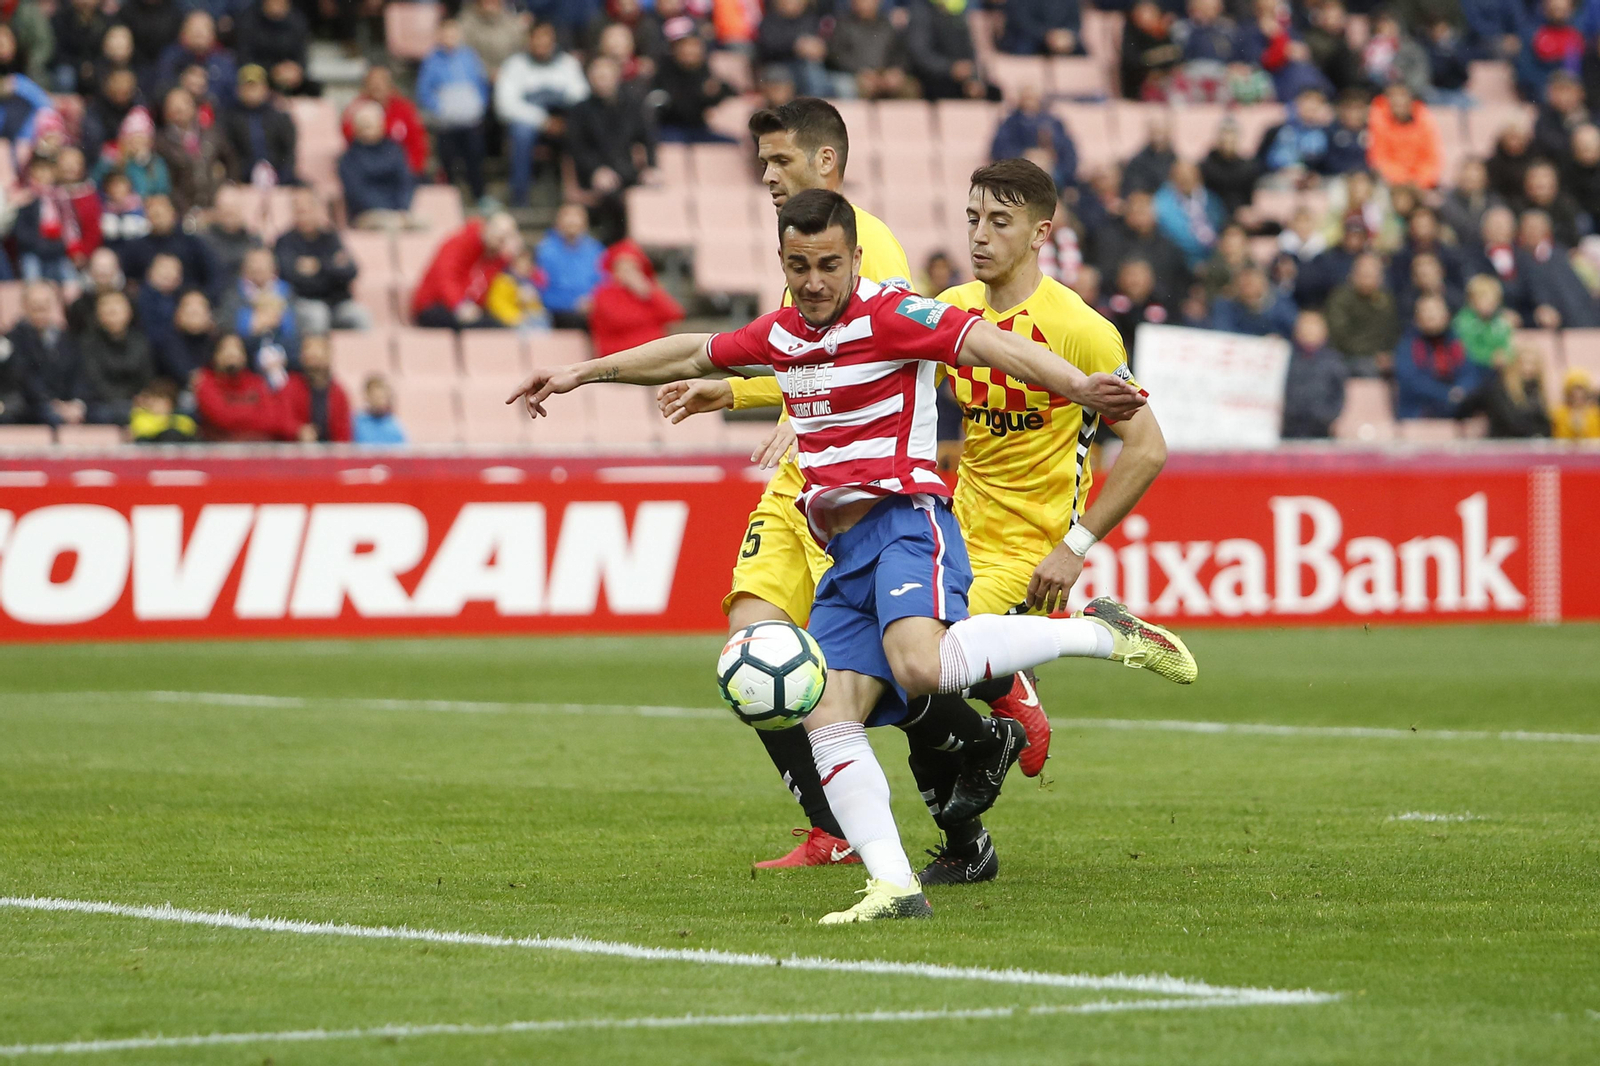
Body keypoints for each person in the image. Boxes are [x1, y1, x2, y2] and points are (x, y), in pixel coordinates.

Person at [506, 188, 1180, 924]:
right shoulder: (783, 334)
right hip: (842, 554)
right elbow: (691, 349)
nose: (816, 280)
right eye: (801, 266)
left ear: (855, 258)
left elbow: (987, 343)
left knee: (921, 665)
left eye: (829, 264)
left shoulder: (893, 314)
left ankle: (1103, 633)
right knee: (828, 712)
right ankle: (893, 886)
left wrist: (1077, 385)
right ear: (783, 263)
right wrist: (582, 372)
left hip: (906, 522)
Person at [650, 99, 1053, 869]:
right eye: (761, 162)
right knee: (756, 650)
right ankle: (836, 826)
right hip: (806, 487)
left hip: (869, 488)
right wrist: (736, 392)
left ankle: (993, 717)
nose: (765, 175)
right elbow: (795, 359)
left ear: (826, 161)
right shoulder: (803, 244)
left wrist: (782, 410)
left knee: (894, 676)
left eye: (778, 160)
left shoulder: (867, 248)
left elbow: (872, 359)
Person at [910, 158, 1169, 878]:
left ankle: (1012, 685)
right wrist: (746, 399)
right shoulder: (953, 308)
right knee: (905, 691)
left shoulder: (1082, 332)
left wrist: (1075, 546)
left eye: (1000, 221)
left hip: (1026, 550)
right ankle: (971, 847)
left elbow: (1147, 450)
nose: (980, 235)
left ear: (1040, 232)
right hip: (952, 532)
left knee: (916, 673)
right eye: (972, 219)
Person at [494, 20, 589, 207]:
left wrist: (560, 117)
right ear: (529, 40)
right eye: (537, 39)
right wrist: (543, 121)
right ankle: (519, 197)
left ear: (553, 41)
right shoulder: (515, 65)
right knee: (521, 133)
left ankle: (577, 197)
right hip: (531, 125)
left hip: (563, 122)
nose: (541, 44)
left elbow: (582, 97)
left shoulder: (568, 64)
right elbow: (505, 106)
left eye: (546, 39)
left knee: (582, 130)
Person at [417, 18, 490, 205]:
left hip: (470, 121)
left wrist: (478, 105)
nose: (450, 38)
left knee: (475, 159)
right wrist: (441, 108)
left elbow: (481, 84)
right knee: (448, 161)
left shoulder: (470, 57)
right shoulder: (431, 60)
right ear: (439, 35)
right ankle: (450, 201)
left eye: (454, 33)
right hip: (446, 124)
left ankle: (479, 196)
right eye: (446, 33)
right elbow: (424, 91)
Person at [274, 188, 369, 333]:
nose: (303, 216)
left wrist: (318, 266)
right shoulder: (285, 242)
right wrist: (332, 268)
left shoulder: (331, 237)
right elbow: (290, 276)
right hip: (303, 303)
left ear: (317, 209)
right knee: (318, 315)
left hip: (338, 304)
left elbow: (351, 271)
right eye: (298, 211)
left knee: (361, 316)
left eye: (307, 210)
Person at [411, 213, 521, 328]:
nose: (499, 242)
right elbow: (445, 277)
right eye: (499, 237)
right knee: (486, 327)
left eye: (503, 239)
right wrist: (459, 305)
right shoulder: (462, 241)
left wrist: (509, 257)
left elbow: (485, 284)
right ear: (488, 228)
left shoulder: (494, 256)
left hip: (464, 306)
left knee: (498, 326)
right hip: (433, 305)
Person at [9, 283, 96, 427]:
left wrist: (76, 402)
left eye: (45, 305)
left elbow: (79, 372)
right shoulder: (15, 338)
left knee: (101, 413)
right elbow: (24, 377)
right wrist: (53, 404)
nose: (41, 310)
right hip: (33, 406)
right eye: (35, 305)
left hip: (68, 404)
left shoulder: (67, 337)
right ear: (24, 306)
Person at [1394, 293, 1487, 419]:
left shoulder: (1455, 341)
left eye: (1436, 310)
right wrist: (1448, 394)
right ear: (1417, 318)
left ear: (1446, 316)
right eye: (1426, 311)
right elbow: (1412, 381)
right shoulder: (1408, 344)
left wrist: (1461, 390)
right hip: (1420, 410)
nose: (1431, 315)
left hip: (1455, 407)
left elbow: (1470, 373)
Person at [1095, 190, 1190, 307]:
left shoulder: (1168, 245)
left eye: (1144, 211)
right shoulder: (1110, 239)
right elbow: (1104, 275)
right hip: (1115, 304)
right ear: (1126, 213)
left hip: (1161, 306)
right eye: (1135, 211)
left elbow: (1178, 280)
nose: (1140, 217)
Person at [193, 331, 294, 440]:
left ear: (245, 356)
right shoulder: (205, 383)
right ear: (214, 355)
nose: (232, 353)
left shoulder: (256, 382)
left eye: (238, 349)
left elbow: (272, 419)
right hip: (217, 451)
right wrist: (255, 414)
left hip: (258, 452)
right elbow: (223, 419)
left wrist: (236, 415)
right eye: (225, 348)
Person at [590, 241, 684, 356]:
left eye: (633, 267)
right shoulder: (604, 293)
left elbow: (675, 315)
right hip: (620, 354)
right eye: (624, 268)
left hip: (655, 353)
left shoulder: (648, 290)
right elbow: (620, 320)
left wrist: (650, 295)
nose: (629, 273)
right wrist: (650, 315)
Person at [223, 246, 300, 381]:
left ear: (274, 269)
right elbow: (227, 330)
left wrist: (280, 353)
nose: (258, 268)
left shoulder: (286, 293)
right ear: (244, 268)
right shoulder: (232, 294)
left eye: (264, 264)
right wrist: (251, 325)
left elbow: (295, 332)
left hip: (283, 360)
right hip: (246, 361)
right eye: (254, 263)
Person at [79, 290, 155, 426]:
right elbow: (94, 380)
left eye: (117, 305)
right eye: (105, 305)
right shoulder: (88, 343)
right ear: (97, 313)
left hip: (135, 403)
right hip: (101, 404)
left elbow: (146, 377)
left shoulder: (140, 341)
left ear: (129, 311)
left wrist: (138, 399)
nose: (112, 310)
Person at [340, 66, 428, 178]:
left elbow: (418, 144)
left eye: (382, 82)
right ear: (366, 86)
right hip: (365, 172)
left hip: (400, 173)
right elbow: (348, 141)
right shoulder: (355, 108)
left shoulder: (405, 109)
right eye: (373, 82)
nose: (377, 86)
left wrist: (410, 171)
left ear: (390, 85)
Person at [118, 193, 217, 294]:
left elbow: (214, 275)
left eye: (162, 208)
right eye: (151, 208)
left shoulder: (192, 244)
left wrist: (202, 299)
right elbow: (126, 281)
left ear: (174, 212)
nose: (157, 212)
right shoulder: (135, 248)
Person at [339, 100, 417, 227]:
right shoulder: (348, 159)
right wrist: (387, 211)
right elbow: (356, 193)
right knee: (390, 225)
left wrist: (402, 208)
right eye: (363, 126)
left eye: (371, 125)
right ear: (355, 129)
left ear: (381, 125)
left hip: (398, 212)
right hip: (366, 214)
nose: (367, 131)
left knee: (423, 224)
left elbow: (405, 182)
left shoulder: (395, 151)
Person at [155, 86, 231, 216]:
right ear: (166, 112)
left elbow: (231, 160)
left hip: (217, 205)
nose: (180, 108)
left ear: (194, 107)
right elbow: (166, 185)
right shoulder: (161, 143)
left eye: (184, 103)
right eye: (173, 105)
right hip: (184, 211)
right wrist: (186, 210)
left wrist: (229, 186)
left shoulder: (212, 134)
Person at [989, 85, 1077, 194]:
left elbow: (1069, 152)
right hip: (1020, 175)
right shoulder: (1009, 123)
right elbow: (999, 149)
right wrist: (1025, 156)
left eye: (1032, 97)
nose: (1030, 101)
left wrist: (1050, 159)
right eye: (1026, 97)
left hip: (1054, 174)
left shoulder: (1054, 123)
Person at [1325, 251, 1401, 376]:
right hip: (1348, 356)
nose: (1367, 278)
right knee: (1366, 368)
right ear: (1353, 275)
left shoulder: (1387, 300)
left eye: (1372, 274)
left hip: (1381, 356)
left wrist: (1387, 353)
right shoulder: (1340, 298)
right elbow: (1340, 336)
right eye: (1363, 274)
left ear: (1381, 277)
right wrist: (1374, 354)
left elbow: (1392, 331)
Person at [651, 28, 735, 141]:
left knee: (732, 143)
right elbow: (676, 105)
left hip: (699, 128)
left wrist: (715, 93)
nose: (690, 51)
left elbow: (727, 91)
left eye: (695, 46)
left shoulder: (704, 69)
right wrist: (702, 95)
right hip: (670, 129)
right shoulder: (665, 70)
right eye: (686, 46)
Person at [222, 64, 297, 185]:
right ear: (238, 90)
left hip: (279, 180)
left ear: (266, 88)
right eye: (247, 86)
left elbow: (288, 153)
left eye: (256, 86)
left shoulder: (280, 117)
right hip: (242, 181)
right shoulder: (229, 118)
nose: (252, 91)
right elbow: (228, 153)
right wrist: (237, 178)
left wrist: (282, 179)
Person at [535, 202, 605, 330]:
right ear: (558, 223)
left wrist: (592, 301)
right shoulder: (545, 252)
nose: (573, 221)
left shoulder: (596, 250)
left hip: (593, 308)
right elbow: (542, 290)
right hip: (561, 312)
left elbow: (604, 282)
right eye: (568, 217)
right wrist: (573, 304)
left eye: (577, 217)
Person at [904, 0, 992, 101]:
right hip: (932, 80)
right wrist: (950, 68)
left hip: (959, 80)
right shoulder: (921, 10)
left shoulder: (958, 9)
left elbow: (968, 50)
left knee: (992, 92)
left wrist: (973, 78)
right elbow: (919, 54)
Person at [1280, 310, 1348, 438]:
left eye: (1314, 327)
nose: (1309, 332)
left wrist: (1328, 416)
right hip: (1290, 427)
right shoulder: (1284, 358)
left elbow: (1339, 394)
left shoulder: (1334, 361)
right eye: (1305, 327)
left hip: (1321, 427)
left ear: (1324, 331)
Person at [827, 0, 910, 100]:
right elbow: (835, 56)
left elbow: (899, 53)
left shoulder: (887, 25)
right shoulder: (843, 25)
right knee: (847, 87)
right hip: (855, 75)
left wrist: (895, 71)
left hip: (883, 75)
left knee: (910, 88)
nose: (865, 3)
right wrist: (860, 72)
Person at [1367, 82, 1440, 189]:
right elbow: (1379, 159)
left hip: (1420, 186)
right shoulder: (1377, 120)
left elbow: (1432, 160)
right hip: (1390, 184)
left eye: (1402, 95)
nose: (1397, 100)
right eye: (1392, 96)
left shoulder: (1425, 120)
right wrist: (1403, 182)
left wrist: (1419, 182)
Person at [234, 0, 315, 97]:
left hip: (292, 82)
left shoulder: (298, 20)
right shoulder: (248, 20)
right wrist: (272, 71)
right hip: (257, 81)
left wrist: (296, 69)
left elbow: (302, 55)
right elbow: (245, 58)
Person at [1152, 159, 1224, 269]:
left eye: (1190, 175)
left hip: (1214, 259)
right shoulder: (1162, 204)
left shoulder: (1211, 200)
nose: (1186, 179)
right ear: (1172, 179)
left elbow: (1220, 225)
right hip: (1180, 263)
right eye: (1180, 176)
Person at [280, 332, 352, 442]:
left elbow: (343, 436)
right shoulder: (290, 386)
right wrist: (298, 430)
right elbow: (281, 420)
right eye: (307, 348)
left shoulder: (339, 393)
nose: (311, 353)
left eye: (318, 348)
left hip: (329, 455)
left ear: (328, 354)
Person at [756, 0, 830, 99]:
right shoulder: (769, 21)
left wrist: (820, 48)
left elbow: (824, 45)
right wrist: (795, 46)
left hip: (806, 66)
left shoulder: (810, 20)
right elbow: (767, 47)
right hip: (778, 65)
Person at [199, 183, 261, 293]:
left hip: (249, 301)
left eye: (234, 208)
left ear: (242, 209)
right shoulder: (202, 242)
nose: (230, 213)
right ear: (216, 210)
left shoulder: (254, 241)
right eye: (225, 209)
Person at [1481, 344, 1552, 438]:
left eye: (1532, 363)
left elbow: (1546, 423)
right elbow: (1511, 422)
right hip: (1505, 444)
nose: (1528, 368)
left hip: (1532, 445)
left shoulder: (1538, 392)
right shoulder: (1501, 389)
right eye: (1524, 363)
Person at [1209, 266, 1296, 336]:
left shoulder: (1281, 302)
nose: (1247, 289)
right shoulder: (1225, 304)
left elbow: (1293, 328)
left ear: (1264, 284)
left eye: (1251, 284)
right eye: (1243, 285)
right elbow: (1222, 332)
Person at [156, 289, 218, 385]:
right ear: (177, 314)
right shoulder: (166, 341)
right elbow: (187, 376)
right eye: (188, 305)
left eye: (201, 306)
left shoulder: (218, 341)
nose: (195, 310)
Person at [1200, 118, 1259, 219]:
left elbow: (1249, 200)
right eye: (1225, 134)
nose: (1228, 139)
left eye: (1232, 134)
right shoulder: (1206, 166)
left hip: (1239, 218)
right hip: (1212, 215)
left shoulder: (1248, 168)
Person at [1453, 275, 1515, 369]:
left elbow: (1507, 345)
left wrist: (1505, 356)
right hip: (1471, 369)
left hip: (1497, 368)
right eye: (1483, 299)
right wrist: (1490, 357)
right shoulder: (1463, 321)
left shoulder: (1500, 321)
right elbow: (1467, 351)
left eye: (1493, 300)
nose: (1489, 304)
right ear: (1472, 300)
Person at [485, 247, 550, 330]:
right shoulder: (504, 281)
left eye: (528, 264)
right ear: (513, 265)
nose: (525, 267)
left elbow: (536, 308)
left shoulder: (529, 283)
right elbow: (497, 306)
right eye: (521, 264)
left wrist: (532, 304)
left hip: (528, 321)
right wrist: (517, 317)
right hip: (508, 323)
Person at [999, 0, 1081, 56]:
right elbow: (1020, 21)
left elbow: (1075, 23)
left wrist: (1065, 35)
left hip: (1060, 38)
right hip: (1027, 37)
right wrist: (1046, 35)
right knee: (1023, 47)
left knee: (1079, 50)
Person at [129, 377, 198, 442]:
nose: (156, 404)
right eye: (155, 399)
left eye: (162, 400)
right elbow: (141, 429)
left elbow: (190, 428)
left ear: (171, 403)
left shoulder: (183, 420)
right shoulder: (140, 418)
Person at [353, 374, 407, 444]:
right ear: (367, 396)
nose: (378, 401)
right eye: (375, 397)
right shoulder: (355, 423)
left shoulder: (395, 427)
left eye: (381, 397)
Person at [1552, 367, 1600, 438]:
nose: (1578, 394)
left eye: (1581, 389)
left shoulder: (1594, 413)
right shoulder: (1560, 413)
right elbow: (1558, 437)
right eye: (1574, 390)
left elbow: (1595, 438)